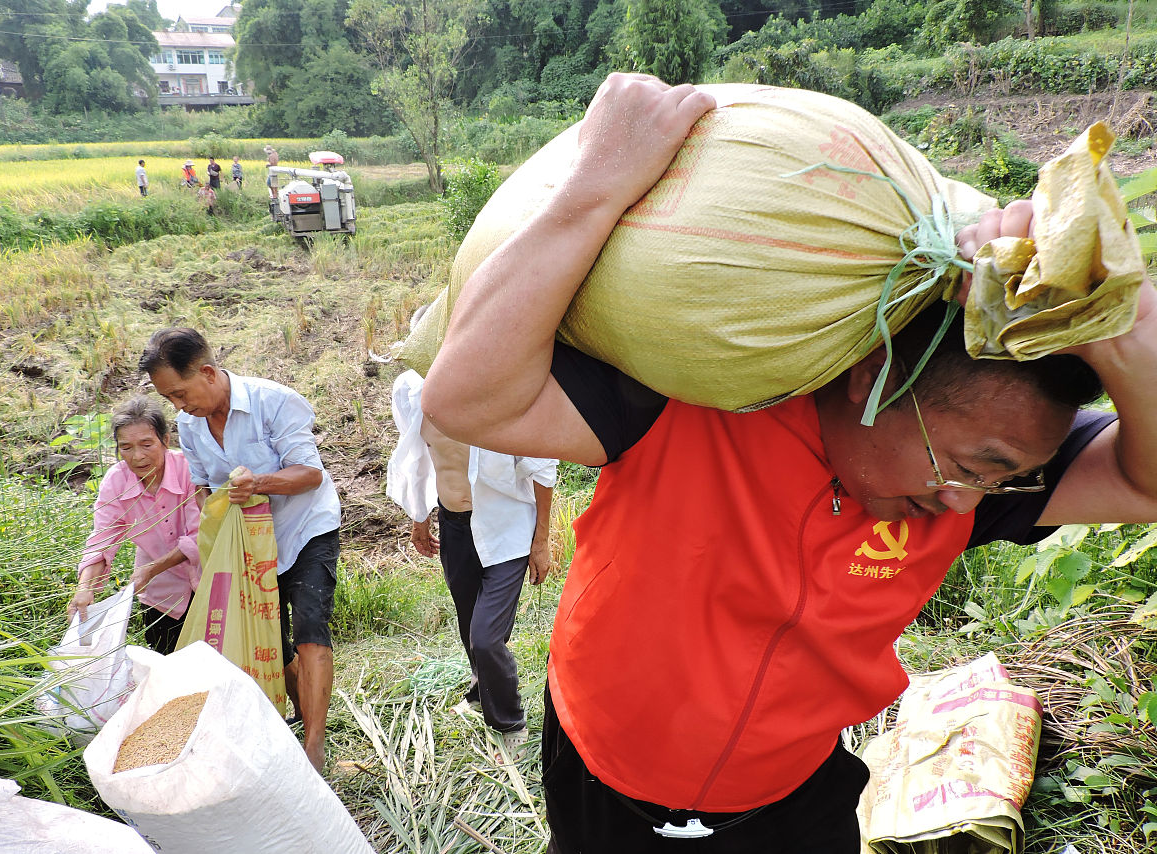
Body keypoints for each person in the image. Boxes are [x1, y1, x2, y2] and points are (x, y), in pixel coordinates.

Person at [421, 73, 1157, 852]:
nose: (968, 505)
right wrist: (593, 190)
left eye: (1003, 480)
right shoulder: (705, 397)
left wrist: (1123, 338)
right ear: (878, 379)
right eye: (975, 466)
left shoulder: (973, 488)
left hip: (790, 802)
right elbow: (469, 400)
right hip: (602, 777)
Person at [140, 328, 342, 774]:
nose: (178, 406)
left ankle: (314, 745)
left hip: (305, 530)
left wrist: (259, 484)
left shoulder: (275, 402)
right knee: (274, 640)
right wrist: (214, 528)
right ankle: (296, 724)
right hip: (249, 545)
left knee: (310, 627)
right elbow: (204, 488)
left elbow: (310, 474)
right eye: (168, 398)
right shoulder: (192, 425)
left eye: (180, 393)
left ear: (208, 372)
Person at [387, 368, 556, 760]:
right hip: (456, 527)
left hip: (507, 528)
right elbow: (418, 457)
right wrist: (419, 517)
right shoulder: (415, 396)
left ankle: (510, 721)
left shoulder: (497, 397)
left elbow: (542, 467)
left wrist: (541, 540)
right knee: (468, 621)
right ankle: (482, 691)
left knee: (485, 635)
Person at [70, 396, 201, 655]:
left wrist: (152, 569)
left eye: (147, 444)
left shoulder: (190, 470)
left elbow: (201, 535)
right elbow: (103, 539)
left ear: (165, 441)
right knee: (167, 674)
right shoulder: (116, 481)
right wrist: (84, 588)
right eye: (126, 447)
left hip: (208, 587)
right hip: (161, 598)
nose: (137, 456)